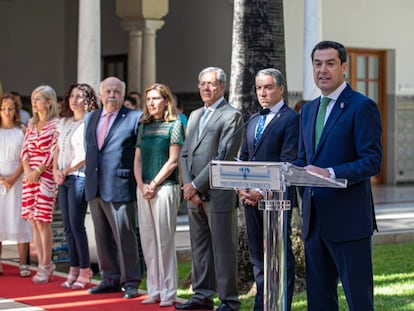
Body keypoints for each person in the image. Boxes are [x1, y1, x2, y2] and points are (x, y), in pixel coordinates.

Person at [294, 40, 382, 311]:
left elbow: (372, 161)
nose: (323, 69)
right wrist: (277, 176)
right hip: (314, 220)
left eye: (330, 63)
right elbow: (302, 159)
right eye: (317, 64)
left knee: (358, 299)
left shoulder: (361, 106)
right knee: (319, 301)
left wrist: (330, 173)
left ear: (344, 67)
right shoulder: (308, 110)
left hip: (349, 221)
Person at [176, 67, 243, 311]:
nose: (206, 88)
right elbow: (184, 153)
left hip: (218, 194)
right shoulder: (194, 115)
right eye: (202, 83)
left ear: (222, 87)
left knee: (223, 250)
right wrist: (188, 185)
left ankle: (229, 301)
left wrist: (195, 185)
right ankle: (202, 295)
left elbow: (222, 157)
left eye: (212, 84)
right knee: (200, 246)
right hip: (193, 194)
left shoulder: (231, 116)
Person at [237, 68, 299, 311]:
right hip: (250, 199)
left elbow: (288, 160)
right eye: (259, 88)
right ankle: (261, 305)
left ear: (281, 89)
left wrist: (261, 191)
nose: (262, 92)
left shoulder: (291, 118)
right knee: (258, 258)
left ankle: (281, 305)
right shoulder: (254, 119)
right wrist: (242, 188)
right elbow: (244, 158)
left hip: (277, 200)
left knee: (280, 257)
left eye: (268, 87)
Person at [84, 76, 142, 299]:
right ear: (100, 95)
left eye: (116, 91)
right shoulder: (91, 118)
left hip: (120, 184)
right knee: (101, 236)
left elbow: (139, 153)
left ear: (123, 94)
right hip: (95, 185)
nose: (112, 95)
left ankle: (131, 282)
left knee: (124, 236)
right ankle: (110, 278)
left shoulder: (134, 117)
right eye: (107, 91)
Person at [134, 83, 184, 307]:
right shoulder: (143, 125)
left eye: (156, 98)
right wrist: (141, 184)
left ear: (166, 101)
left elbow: (173, 161)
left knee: (164, 241)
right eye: (148, 99)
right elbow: (136, 159)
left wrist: (153, 184)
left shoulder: (174, 124)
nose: (151, 103)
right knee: (148, 240)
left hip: (165, 188)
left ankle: (168, 291)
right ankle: (153, 289)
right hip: (143, 188)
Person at [53, 83, 99, 289]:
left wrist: (66, 170)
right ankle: (72, 269)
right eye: (71, 96)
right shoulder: (64, 122)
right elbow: (57, 148)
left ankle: (85, 271)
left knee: (77, 224)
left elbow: (86, 154)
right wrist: (55, 169)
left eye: (79, 96)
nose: (74, 100)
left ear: (87, 100)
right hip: (62, 178)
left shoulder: (89, 123)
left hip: (77, 176)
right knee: (68, 227)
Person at [21, 85, 59, 284]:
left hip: (45, 177)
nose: (34, 102)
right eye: (34, 99)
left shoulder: (56, 125)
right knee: (33, 220)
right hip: (29, 177)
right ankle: (42, 264)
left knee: (43, 221)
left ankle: (46, 264)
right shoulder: (31, 124)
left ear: (49, 102)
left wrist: (38, 171)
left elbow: (53, 151)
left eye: (38, 99)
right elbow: (24, 149)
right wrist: (28, 171)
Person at [0, 93, 32, 277]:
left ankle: (23, 264)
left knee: (20, 220)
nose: (6, 112)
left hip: (18, 180)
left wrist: (13, 177)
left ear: (16, 110)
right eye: (3, 108)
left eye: (10, 108)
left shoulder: (21, 130)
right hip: (0, 179)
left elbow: (25, 157)